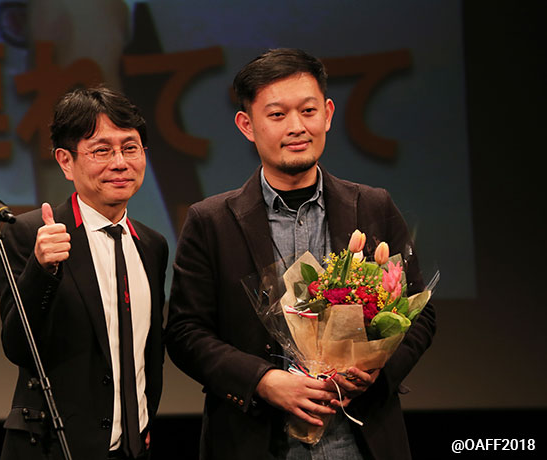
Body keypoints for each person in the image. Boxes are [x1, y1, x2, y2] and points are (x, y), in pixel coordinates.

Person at [164, 48, 436, 460]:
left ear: (327, 114)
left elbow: (420, 314)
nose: (297, 127)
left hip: (360, 439)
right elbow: (186, 333)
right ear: (246, 125)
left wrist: (376, 372)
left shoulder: (373, 206)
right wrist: (263, 380)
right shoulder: (211, 221)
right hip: (255, 441)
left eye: (308, 111)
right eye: (277, 115)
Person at [0, 86, 168, 460]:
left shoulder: (152, 245)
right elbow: (18, 346)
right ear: (65, 161)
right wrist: (41, 269)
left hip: (132, 449)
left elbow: (148, 354)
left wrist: (140, 426)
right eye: (101, 151)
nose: (120, 163)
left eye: (130, 148)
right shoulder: (31, 234)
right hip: (55, 449)